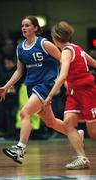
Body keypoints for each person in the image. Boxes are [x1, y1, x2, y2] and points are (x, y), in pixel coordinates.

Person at [0, 16, 82, 164]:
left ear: (35, 28)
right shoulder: (20, 47)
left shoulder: (44, 43)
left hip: (46, 84)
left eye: (27, 25)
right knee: (51, 122)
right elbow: (19, 71)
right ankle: (76, 134)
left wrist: (66, 80)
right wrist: (6, 86)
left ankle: (20, 149)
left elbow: (64, 60)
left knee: (25, 112)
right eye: (22, 25)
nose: (24, 28)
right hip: (31, 86)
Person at [45, 21, 96, 170]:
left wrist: (50, 95)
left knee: (93, 132)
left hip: (87, 92)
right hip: (74, 94)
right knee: (68, 124)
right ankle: (82, 158)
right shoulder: (77, 48)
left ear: (55, 38)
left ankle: (82, 156)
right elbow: (93, 62)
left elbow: (62, 76)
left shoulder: (67, 51)